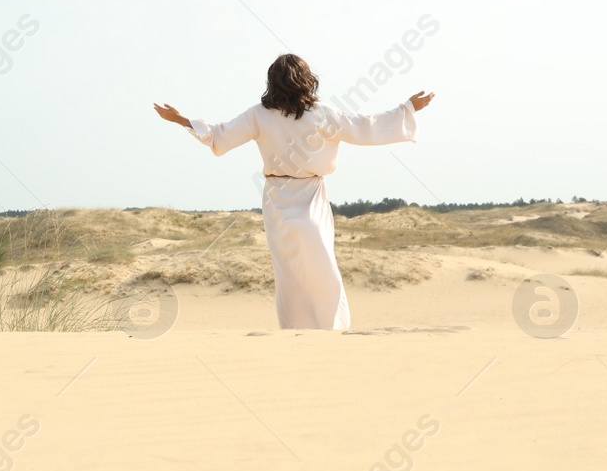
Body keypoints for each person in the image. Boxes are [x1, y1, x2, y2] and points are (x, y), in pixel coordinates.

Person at [153, 54, 434, 330]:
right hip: (278, 196)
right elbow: (222, 134)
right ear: (306, 79)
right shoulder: (260, 114)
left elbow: (363, 127)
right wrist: (182, 120)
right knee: (290, 268)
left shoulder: (321, 113)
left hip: (310, 194)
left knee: (320, 261)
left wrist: (407, 109)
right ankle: (297, 328)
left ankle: (330, 327)